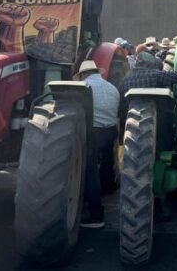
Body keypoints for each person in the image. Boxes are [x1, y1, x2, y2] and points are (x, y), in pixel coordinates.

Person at [75, 60, 119, 229]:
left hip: (94, 133)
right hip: (110, 130)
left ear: (83, 74)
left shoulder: (85, 88)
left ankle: (96, 216)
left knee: (90, 171)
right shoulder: (112, 88)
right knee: (107, 164)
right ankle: (107, 191)